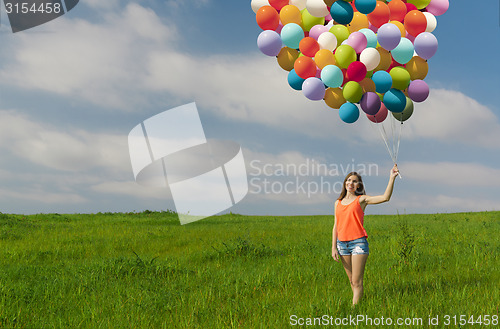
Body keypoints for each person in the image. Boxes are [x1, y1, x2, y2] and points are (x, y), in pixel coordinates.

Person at [332, 164, 399, 306]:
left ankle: (354, 310)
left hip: (358, 243)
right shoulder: (337, 203)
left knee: (357, 281)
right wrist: (333, 248)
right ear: (345, 183)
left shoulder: (361, 200)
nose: (351, 183)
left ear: (358, 186)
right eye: (349, 180)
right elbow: (336, 226)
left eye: (355, 181)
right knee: (351, 281)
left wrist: (392, 177)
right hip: (342, 244)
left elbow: (385, 197)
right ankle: (358, 304)